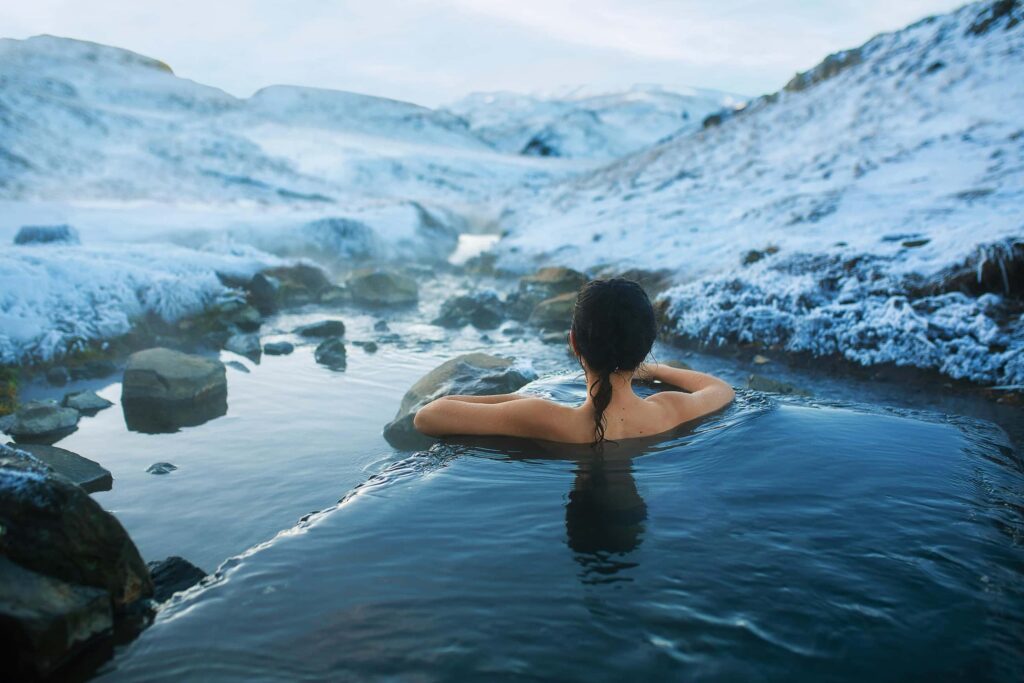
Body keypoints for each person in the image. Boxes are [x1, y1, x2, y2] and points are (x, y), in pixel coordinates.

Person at [413, 278, 735, 447]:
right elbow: (720, 389)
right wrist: (650, 369)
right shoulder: (668, 410)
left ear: (573, 342)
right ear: (646, 346)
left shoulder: (542, 416)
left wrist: (518, 400)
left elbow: (428, 416)